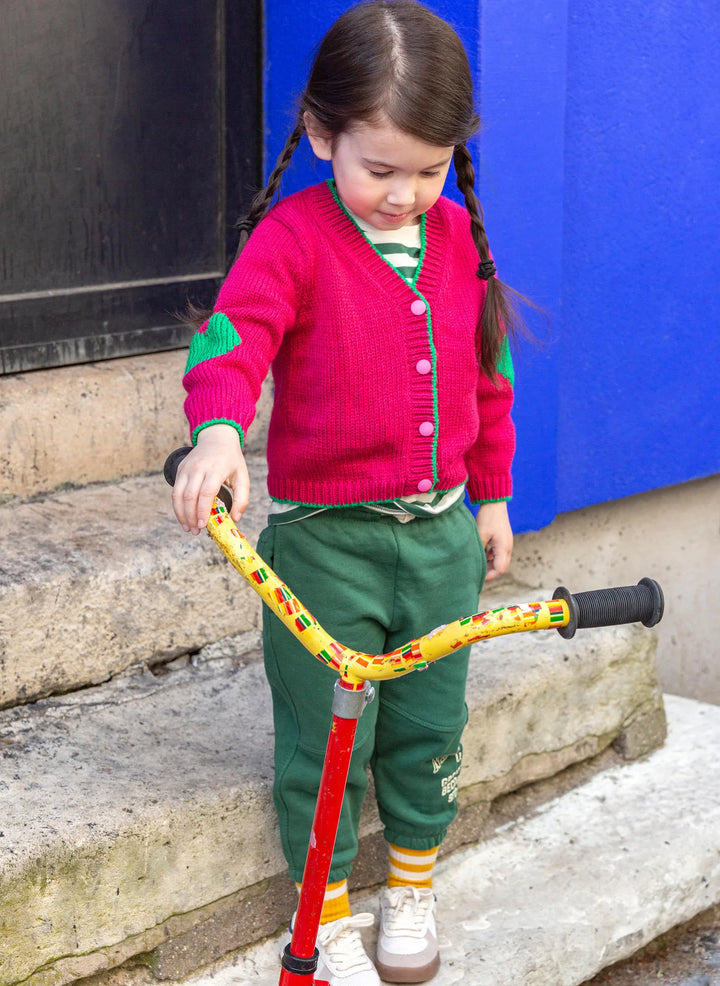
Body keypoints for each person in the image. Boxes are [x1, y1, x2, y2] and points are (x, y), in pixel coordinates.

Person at [172, 2, 524, 982]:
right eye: (381, 168)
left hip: (443, 539)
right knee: (327, 739)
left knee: (427, 724)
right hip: (327, 547)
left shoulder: (457, 241)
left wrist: (490, 498)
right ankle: (321, 909)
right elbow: (227, 339)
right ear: (323, 133)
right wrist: (216, 431)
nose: (406, 194)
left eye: (430, 167)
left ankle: (410, 884)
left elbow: (486, 376)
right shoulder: (294, 239)